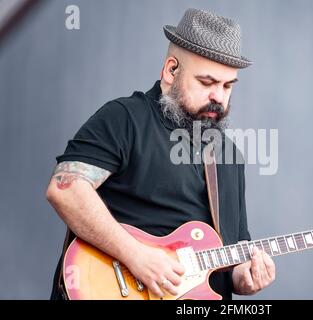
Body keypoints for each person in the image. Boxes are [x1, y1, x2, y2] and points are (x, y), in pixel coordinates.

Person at [46, 8, 275, 300]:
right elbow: (65, 190)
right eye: (207, 83)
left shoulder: (229, 155)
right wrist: (136, 256)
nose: (219, 96)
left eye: (227, 86)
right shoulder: (125, 118)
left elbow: (233, 259)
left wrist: (247, 278)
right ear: (171, 71)